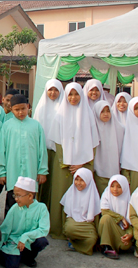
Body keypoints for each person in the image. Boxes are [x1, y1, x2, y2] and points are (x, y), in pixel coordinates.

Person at [47, 82, 99, 240]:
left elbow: (94, 143)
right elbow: (57, 142)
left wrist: (82, 164)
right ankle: (60, 230)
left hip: (83, 166)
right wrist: (67, 162)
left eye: (76, 94)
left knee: (82, 196)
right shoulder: (60, 115)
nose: (73, 97)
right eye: (70, 94)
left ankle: (80, 230)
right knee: (60, 195)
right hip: (63, 165)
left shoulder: (88, 115)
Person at [0, 94, 48, 218]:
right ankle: (10, 230)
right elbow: (1, 151)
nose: (20, 112)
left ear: (28, 107)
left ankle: (30, 229)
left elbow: (42, 150)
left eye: (23, 109)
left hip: (31, 171)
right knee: (12, 202)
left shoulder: (36, 126)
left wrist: (42, 171)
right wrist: (1, 172)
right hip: (12, 171)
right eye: (17, 109)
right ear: (11, 109)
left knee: (30, 202)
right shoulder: (7, 126)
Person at [0, 176, 50, 268]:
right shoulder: (14, 209)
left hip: (29, 241)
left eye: (18, 195)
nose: (16, 199)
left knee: (42, 241)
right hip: (14, 243)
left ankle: (29, 257)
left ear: (30, 196)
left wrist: (25, 236)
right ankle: (7, 255)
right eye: (14, 195)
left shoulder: (41, 208)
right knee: (13, 266)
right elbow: (4, 230)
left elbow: (43, 229)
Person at [33, 79, 64, 207]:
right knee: (42, 183)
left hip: (58, 151)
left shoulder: (64, 107)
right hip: (42, 150)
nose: (53, 92)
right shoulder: (41, 108)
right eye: (50, 89)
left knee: (56, 183)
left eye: (56, 90)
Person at [60, 168, 101, 255]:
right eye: (76, 179)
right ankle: (72, 240)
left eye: (82, 180)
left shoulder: (93, 194)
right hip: (73, 221)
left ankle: (75, 245)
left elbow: (96, 217)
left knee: (92, 239)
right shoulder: (71, 192)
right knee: (69, 229)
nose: (78, 183)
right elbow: (65, 212)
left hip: (87, 224)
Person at [92, 100, 125, 195]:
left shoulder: (119, 128)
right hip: (97, 172)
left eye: (108, 111)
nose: (106, 114)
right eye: (102, 111)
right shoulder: (92, 129)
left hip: (115, 170)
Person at [98, 175, 133, 259]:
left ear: (124, 187)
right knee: (106, 218)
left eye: (119, 187)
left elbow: (132, 219)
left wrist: (130, 234)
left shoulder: (130, 200)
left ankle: (114, 245)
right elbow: (104, 210)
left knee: (126, 245)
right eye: (112, 186)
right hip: (107, 229)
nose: (115, 189)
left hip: (121, 231)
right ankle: (106, 247)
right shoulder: (106, 195)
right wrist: (120, 218)